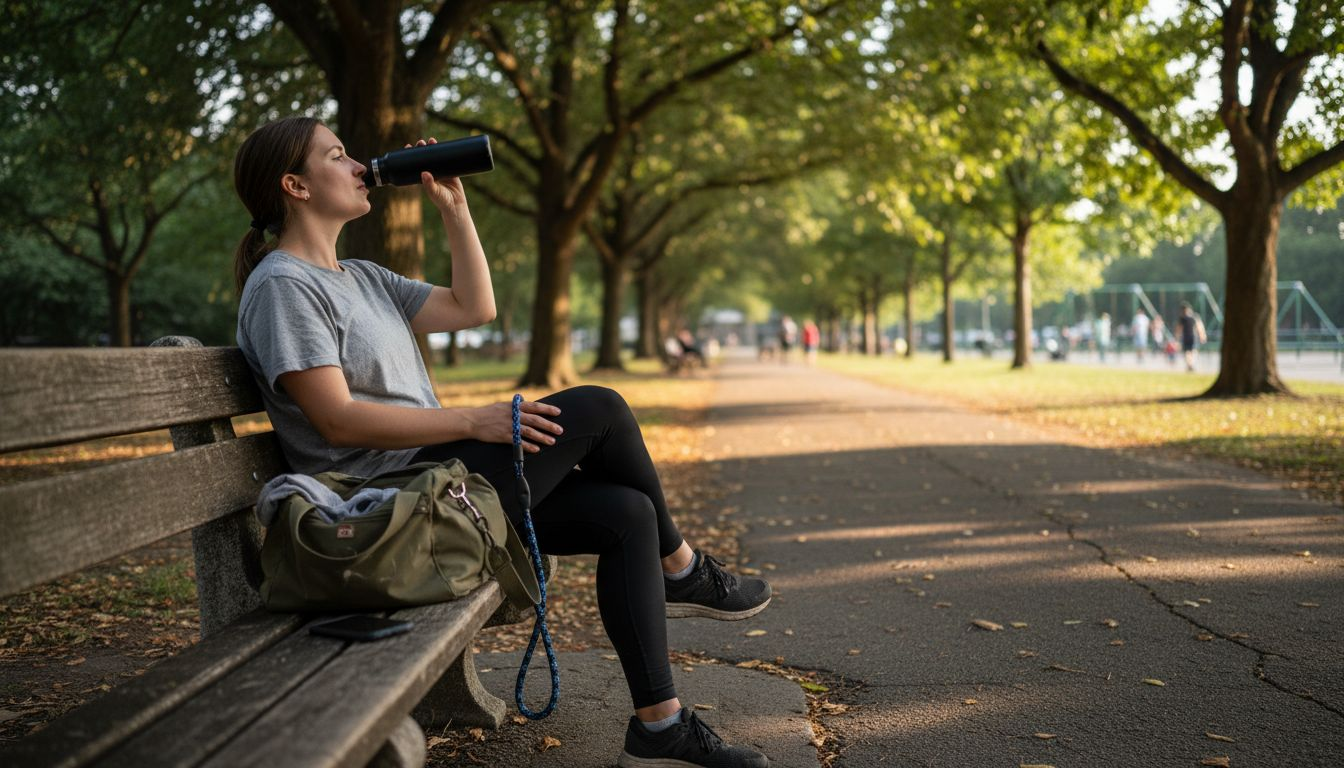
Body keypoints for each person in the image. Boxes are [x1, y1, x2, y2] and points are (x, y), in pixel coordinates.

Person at [231, 117, 771, 768]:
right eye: (339, 155)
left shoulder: (363, 276)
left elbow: (472, 307)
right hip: (385, 507)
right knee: (600, 406)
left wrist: (456, 212)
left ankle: (661, 726)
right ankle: (681, 569)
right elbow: (338, 420)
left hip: (435, 483)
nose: (359, 166)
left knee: (629, 515)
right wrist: (470, 420)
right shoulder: (284, 286)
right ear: (295, 185)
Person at [1177, 302, 1207, 372]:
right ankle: (1190, 365)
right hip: (1190, 337)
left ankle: (1190, 365)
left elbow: (1199, 327)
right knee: (1190, 352)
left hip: (1190, 337)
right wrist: (1202, 336)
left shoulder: (1186, 318)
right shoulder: (1190, 317)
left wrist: (1202, 335)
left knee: (1189, 352)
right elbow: (1200, 327)